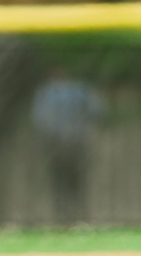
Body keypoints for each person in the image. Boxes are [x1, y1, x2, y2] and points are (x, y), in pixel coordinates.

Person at [30, 67, 105, 225]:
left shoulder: (45, 92)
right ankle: (81, 215)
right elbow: (99, 111)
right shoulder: (80, 89)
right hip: (78, 141)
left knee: (58, 180)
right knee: (77, 180)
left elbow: (39, 119)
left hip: (54, 143)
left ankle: (61, 217)